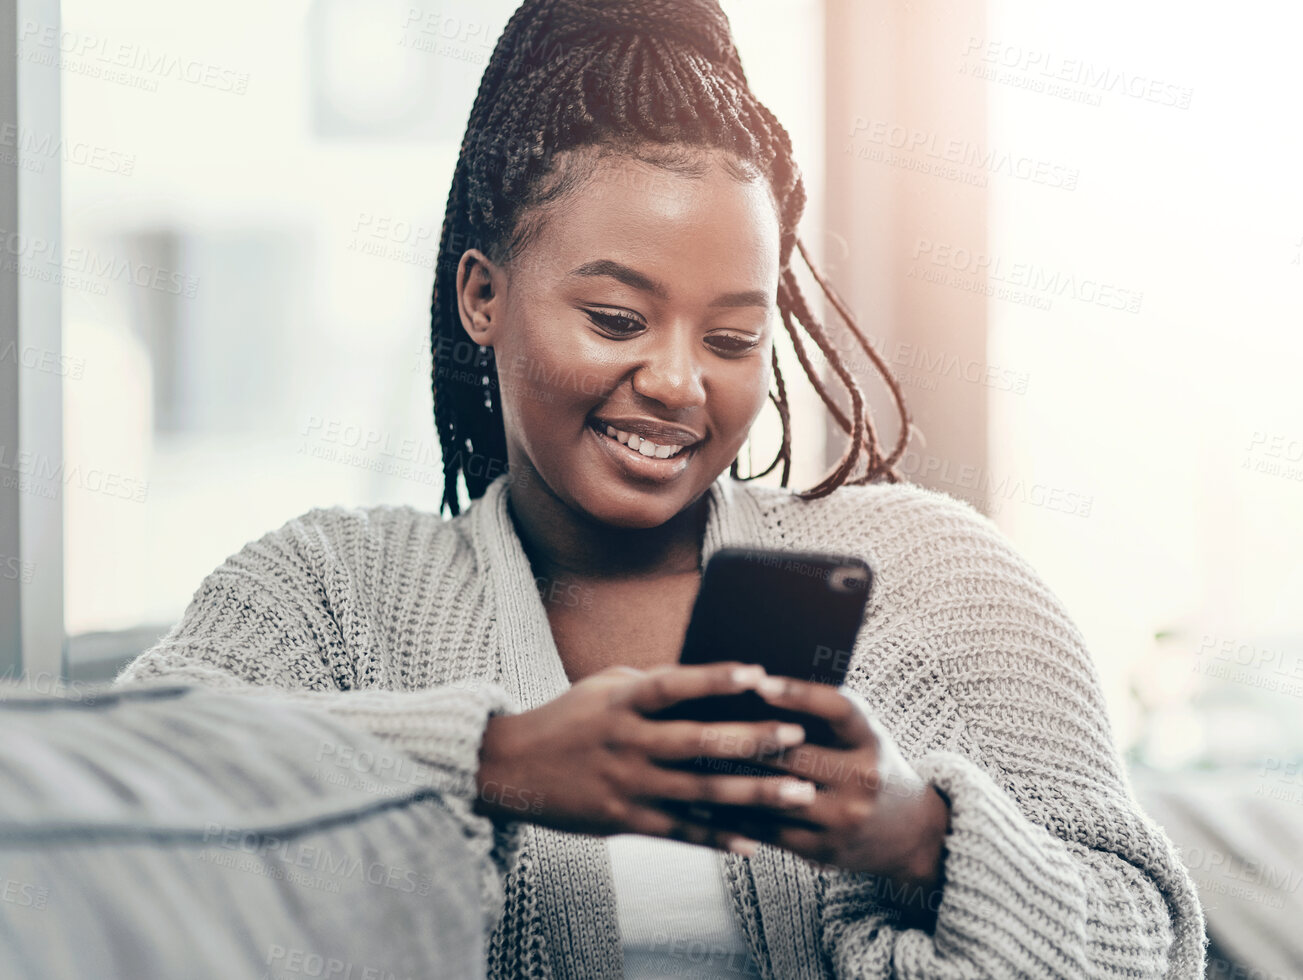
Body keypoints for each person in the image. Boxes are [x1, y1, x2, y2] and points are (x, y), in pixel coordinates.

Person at [115, 0, 1206, 976]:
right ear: (482, 295)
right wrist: (491, 758)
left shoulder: (934, 581)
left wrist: (917, 835)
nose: (678, 381)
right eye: (616, 320)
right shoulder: (328, 594)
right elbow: (101, 805)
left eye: (732, 335)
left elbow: (1150, 944)